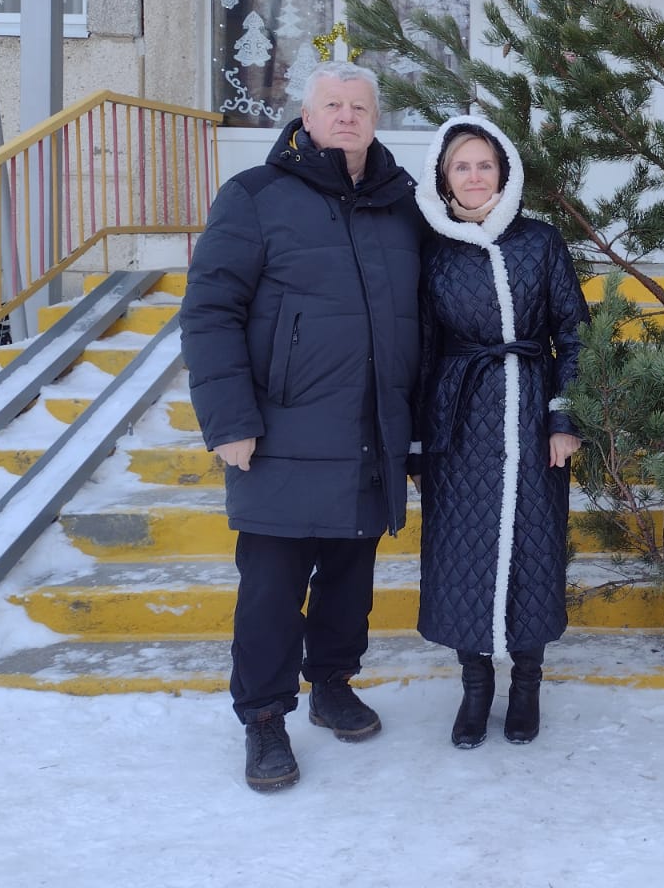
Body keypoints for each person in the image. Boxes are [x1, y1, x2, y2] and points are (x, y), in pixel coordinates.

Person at [179, 63, 426, 792]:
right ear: (307, 117)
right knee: (270, 590)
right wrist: (228, 421)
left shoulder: (401, 206)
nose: (346, 116)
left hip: (368, 432)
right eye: (332, 105)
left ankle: (333, 684)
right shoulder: (254, 197)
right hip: (280, 433)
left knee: (351, 579)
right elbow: (210, 311)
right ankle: (262, 719)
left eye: (359, 106)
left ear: (375, 119)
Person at [413, 115, 587, 749]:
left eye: (485, 164)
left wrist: (563, 418)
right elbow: (421, 347)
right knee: (461, 551)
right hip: (457, 420)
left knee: (533, 549)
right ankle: (475, 688)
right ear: (444, 175)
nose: (475, 175)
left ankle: (529, 684)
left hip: (530, 411)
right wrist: (417, 438)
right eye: (463, 165)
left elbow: (573, 333)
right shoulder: (431, 248)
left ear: (504, 171)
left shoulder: (540, 242)